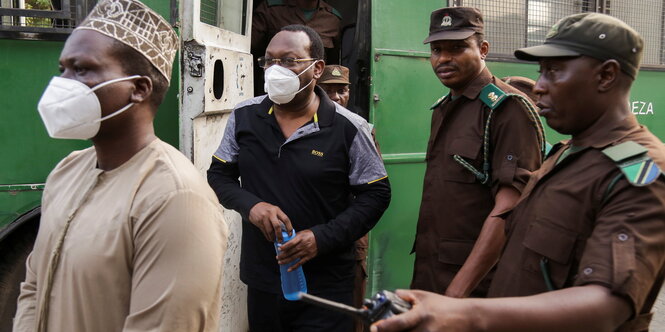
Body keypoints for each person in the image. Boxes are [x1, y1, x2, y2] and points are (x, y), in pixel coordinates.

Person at [371, 12, 665, 332]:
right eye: (541, 72)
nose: (538, 87)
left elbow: (607, 306)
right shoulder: (569, 154)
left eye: (554, 72)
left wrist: (464, 310)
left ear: (606, 75)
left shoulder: (640, 175)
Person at [12, 1, 228, 331]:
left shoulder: (176, 198)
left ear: (138, 89)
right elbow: (33, 288)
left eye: (82, 69)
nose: (63, 84)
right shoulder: (67, 171)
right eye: (63, 70)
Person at [207, 24, 390, 332]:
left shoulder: (349, 127)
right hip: (264, 278)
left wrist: (322, 238)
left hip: (326, 284)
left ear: (317, 68)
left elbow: (376, 195)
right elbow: (219, 174)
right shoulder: (245, 116)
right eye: (269, 61)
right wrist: (251, 207)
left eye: (289, 61)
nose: (276, 70)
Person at [411, 7, 544, 298]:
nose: (443, 58)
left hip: (476, 286)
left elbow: (509, 209)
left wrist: (458, 290)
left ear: (482, 49)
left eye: (457, 48)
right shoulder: (445, 108)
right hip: (432, 270)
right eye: (436, 49)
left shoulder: (508, 109)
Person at [318, 64, 372, 332]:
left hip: (350, 233)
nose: (337, 97)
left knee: (351, 308)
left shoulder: (361, 129)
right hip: (314, 231)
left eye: (342, 90)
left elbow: (372, 191)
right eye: (329, 91)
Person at [252, 0, 342, 95]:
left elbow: (332, 64)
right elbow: (249, 50)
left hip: (313, 94)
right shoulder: (271, 10)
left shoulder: (332, 18)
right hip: (273, 89)